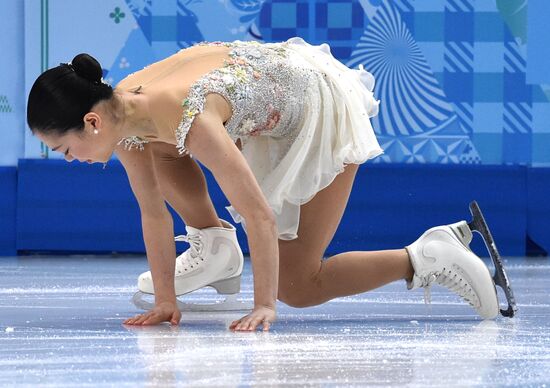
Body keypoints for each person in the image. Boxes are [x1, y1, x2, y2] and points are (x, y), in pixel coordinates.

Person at [26, 37, 501, 332]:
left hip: (316, 108)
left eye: (64, 150)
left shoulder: (188, 117)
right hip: (263, 91)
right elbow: (153, 212)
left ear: (90, 123)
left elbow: (258, 213)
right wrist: (167, 301)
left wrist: (263, 304)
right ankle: (215, 246)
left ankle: (426, 258)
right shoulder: (122, 114)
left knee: (298, 285)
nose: (70, 161)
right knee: (156, 148)